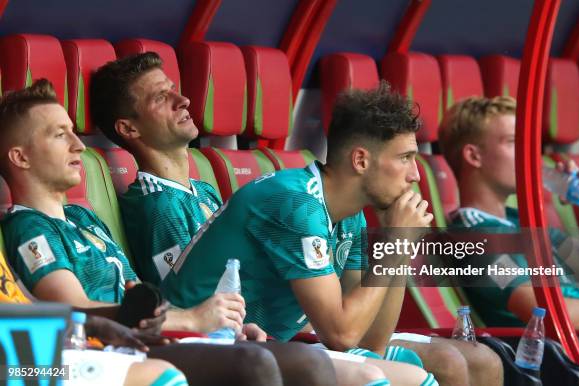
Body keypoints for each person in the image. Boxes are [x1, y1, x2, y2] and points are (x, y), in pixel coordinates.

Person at [90, 51, 500, 386]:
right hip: (208, 341)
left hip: (267, 338)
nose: (415, 174)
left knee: (473, 362)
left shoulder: (349, 211)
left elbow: (365, 340)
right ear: (361, 160)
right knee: (414, 372)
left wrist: (395, 244)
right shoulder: (294, 201)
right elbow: (341, 334)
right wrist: (393, 250)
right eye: (406, 159)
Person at [0, 79, 347, 386]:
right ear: (20, 157)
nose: (79, 145)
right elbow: (72, 307)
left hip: (152, 336)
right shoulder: (29, 225)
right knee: (257, 363)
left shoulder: (82, 216)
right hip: (109, 350)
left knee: (309, 361)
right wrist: (194, 320)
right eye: (60, 135)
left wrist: (223, 328)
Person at [439, 95, 579, 329]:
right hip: (568, 354)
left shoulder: (519, 221)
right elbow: (544, 313)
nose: (528, 155)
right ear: (473, 156)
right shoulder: (476, 239)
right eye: (513, 143)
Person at [0, 247, 187, 386]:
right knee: (163, 376)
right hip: (14, 365)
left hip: (51, 345)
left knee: (195, 358)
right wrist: (89, 325)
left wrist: (121, 316)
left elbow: (29, 304)